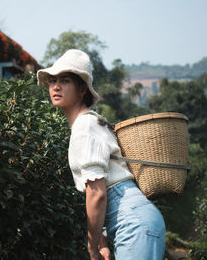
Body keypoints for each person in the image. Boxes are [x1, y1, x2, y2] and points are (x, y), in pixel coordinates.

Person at [37, 49, 166, 260]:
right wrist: (103, 241)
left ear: (82, 90)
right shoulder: (89, 122)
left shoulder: (85, 125)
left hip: (131, 220)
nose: (56, 86)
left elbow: (97, 193)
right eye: (52, 80)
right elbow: (99, 191)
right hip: (134, 218)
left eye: (65, 80)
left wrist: (92, 246)